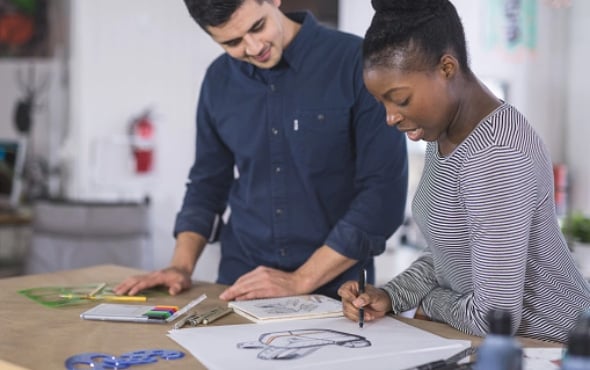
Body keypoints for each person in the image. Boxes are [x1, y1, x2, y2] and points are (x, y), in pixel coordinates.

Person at [115, 0, 408, 301]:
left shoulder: (356, 63)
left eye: (257, 27)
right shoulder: (218, 81)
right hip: (241, 283)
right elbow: (207, 184)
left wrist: (299, 280)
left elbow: (383, 195)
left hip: (336, 290)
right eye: (232, 42)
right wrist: (180, 266)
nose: (254, 48)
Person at [338, 0, 590, 343]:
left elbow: (493, 317)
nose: (390, 117)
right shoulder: (443, 131)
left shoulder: (497, 155)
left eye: (400, 99)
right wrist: (392, 295)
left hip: (555, 346)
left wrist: (428, 302)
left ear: (446, 68)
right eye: (382, 102)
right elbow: (451, 256)